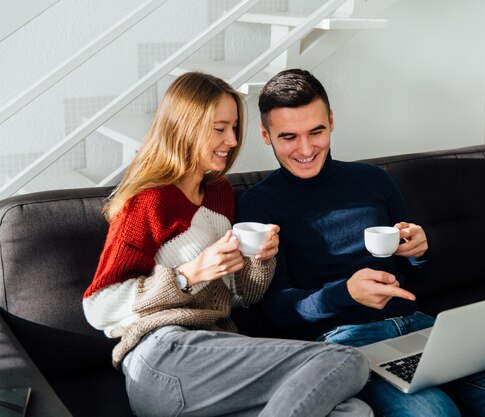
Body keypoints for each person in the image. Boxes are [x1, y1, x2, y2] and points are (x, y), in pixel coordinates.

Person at [236, 69, 485, 417]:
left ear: (331, 121)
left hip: (416, 324)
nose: (306, 149)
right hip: (341, 343)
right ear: (265, 134)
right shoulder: (258, 205)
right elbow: (277, 311)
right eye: (289, 137)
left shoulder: (373, 181)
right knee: (432, 413)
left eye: (316, 132)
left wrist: (419, 252)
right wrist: (346, 292)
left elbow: (415, 278)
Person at [82, 72, 373, 417]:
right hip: (164, 354)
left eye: (234, 128)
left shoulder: (219, 194)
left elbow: (238, 297)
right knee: (347, 360)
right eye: (220, 129)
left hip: (218, 361)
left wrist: (261, 260)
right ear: (185, 127)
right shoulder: (149, 202)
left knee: (353, 412)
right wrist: (188, 275)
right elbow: (97, 308)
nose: (233, 141)